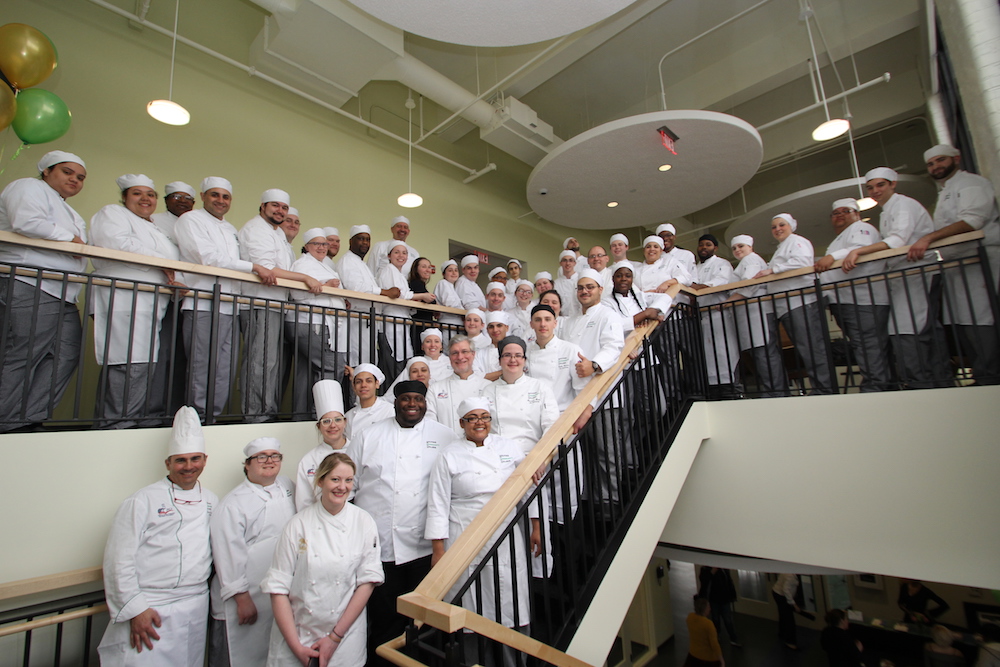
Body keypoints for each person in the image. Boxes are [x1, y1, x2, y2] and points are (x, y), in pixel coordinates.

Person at [98, 406, 218, 665]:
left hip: (196, 606)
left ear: (205, 460)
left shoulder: (212, 501)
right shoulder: (141, 501)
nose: (189, 467)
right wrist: (136, 609)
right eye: (180, 460)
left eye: (195, 459)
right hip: (151, 606)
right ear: (168, 463)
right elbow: (118, 559)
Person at [346, 380, 453, 667]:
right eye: (405, 399)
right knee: (385, 619)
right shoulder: (369, 436)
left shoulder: (444, 435)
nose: (411, 404)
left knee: (426, 621)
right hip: (380, 547)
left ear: (425, 402)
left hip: (425, 548)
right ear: (395, 402)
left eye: (417, 399)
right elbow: (348, 486)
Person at [425, 397, 539, 662]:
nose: (480, 423)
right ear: (462, 423)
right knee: (472, 603)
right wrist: (438, 550)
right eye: (472, 418)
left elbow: (530, 485)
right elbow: (438, 502)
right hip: (465, 536)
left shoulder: (508, 446)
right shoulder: (448, 454)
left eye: (484, 417)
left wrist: (536, 527)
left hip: (506, 533)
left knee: (511, 601)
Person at [260, 452, 383, 667]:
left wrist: (335, 637)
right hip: (297, 635)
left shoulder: (363, 522)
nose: (342, 487)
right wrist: (297, 647)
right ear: (320, 481)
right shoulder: (297, 525)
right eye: (335, 479)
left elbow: (367, 582)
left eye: (348, 480)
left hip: (345, 638)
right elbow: (278, 589)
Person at [0, 150, 88, 432]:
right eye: (67, 172)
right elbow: (26, 222)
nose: (74, 179)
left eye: (80, 177)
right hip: (30, 280)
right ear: (47, 171)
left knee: (66, 355)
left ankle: (28, 417)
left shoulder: (70, 210)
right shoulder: (28, 187)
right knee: (24, 354)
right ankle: (5, 419)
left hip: (63, 291)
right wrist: (70, 240)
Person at [175, 177, 277, 418]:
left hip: (230, 305)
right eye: (214, 195)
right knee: (202, 367)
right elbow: (207, 257)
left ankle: (212, 417)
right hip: (203, 303)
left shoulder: (230, 229)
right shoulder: (190, 220)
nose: (220, 201)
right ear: (202, 197)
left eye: (225, 196)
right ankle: (196, 419)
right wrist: (254, 266)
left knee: (224, 370)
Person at [843, 167, 952, 388]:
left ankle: (926, 383)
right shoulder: (886, 212)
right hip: (903, 277)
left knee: (913, 327)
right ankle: (926, 381)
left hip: (918, 271)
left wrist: (859, 251)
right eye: (871, 187)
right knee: (912, 327)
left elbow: (898, 239)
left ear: (893, 184)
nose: (875, 191)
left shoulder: (903, 205)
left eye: (880, 185)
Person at [89, 174, 181, 428]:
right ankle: (116, 426)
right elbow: (117, 243)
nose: (145, 199)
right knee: (127, 364)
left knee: (142, 366)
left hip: (150, 303)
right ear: (124, 197)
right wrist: (165, 264)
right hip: (124, 299)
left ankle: (125, 423)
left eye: (150, 195)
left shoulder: (153, 228)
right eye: (137, 194)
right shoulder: (113, 214)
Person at [911, 144, 1000, 384]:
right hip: (957, 265)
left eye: (940, 160)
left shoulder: (971, 183)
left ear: (956, 158)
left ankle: (990, 378)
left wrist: (928, 238)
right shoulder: (946, 190)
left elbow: (972, 221)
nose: (935, 167)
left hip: (978, 260)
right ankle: (982, 375)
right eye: (930, 163)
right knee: (965, 323)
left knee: (981, 320)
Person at [209, 437, 294, 667]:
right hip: (245, 597)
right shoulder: (232, 503)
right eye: (261, 457)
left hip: (275, 593)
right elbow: (226, 554)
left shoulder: (287, 487)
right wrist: (241, 597)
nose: (269, 461)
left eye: (274, 456)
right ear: (247, 464)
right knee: (240, 656)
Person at [238, 188, 322, 423]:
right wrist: (305, 279)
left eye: (284, 207)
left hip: (275, 304)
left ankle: (266, 410)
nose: (280, 211)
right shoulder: (256, 229)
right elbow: (268, 269)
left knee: (270, 363)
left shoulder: (275, 233)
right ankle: (255, 415)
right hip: (259, 302)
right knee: (260, 361)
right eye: (275, 206)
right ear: (262, 206)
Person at [814, 198, 892, 392]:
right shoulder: (838, 240)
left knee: (868, 345)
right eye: (835, 213)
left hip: (864, 300)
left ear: (856, 214)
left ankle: (877, 388)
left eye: (845, 211)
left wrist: (832, 258)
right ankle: (877, 385)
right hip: (846, 300)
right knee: (862, 345)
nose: (839, 215)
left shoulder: (861, 229)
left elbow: (858, 249)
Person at [754, 214, 834, 394]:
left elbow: (802, 262)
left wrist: (772, 270)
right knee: (805, 348)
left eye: (781, 225)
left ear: (792, 226)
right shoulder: (782, 247)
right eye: (774, 227)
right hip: (786, 305)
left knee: (812, 347)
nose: (777, 229)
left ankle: (825, 390)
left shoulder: (797, 241)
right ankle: (821, 388)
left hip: (800, 302)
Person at [286, 228, 347, 416]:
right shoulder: (302, 264)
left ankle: (303, 416)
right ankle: (324, 415)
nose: (321, 247)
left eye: (324, 244)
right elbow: (296, 293)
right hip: (312, 322)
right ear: (306, 246)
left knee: (306, 373)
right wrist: (326, 286)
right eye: (316, 244)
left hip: (322, 323)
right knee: (332, 366)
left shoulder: (324, 265)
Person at [726, 235, 785, 397]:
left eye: (741, 246)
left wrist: (727, 302)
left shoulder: (750, 260)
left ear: (750, 247)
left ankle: (776, 391)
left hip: (757, 311)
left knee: (764, 352)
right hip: (749, 313)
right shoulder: (745, 262)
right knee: (760, 354)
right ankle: (772, 389)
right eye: (734, 248)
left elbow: (749, 285)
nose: (737, 250)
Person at [336, 225, 399, 367]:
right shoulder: (348, 261)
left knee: (369, 361)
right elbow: (357, 288)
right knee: (358, 363)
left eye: (367, 239)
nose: (365, 242)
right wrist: (386, 292)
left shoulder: (360, 263)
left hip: (368, 321)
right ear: (351, 241)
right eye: (361, 239)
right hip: (357, 320)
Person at [691, 234, 740, 397]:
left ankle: (730, 389)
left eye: (708, 245)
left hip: (719, 314)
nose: (704, 248)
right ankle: (713, 389)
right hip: (701, 317)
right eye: (701, 245)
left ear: (715, 248)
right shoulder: (695, 268)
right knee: (707, 355)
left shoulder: (722, 264)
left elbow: (719, 282)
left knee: (724, 351)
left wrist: (696, 287)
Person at [296, 379, 349, 511]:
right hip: (319, 522)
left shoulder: (359, 451)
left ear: (345, 422)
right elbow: (304, 502)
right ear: (319, 426)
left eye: (338, 420)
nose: (333, 425)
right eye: (326, 421)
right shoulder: (309, 460)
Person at [425, 334, 491, 436]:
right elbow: (430, 424)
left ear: (473, 354)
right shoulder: (435, 389)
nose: (460, 357)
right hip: (446, 447)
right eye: (455, 353)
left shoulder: (488, 387)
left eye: (464, 352)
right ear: (449, 357)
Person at [377, 241, 433, 362]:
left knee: (405, 357)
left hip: (403, 318)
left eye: (404, 253)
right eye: (397, 252)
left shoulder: (400, 275)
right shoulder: (389, 269)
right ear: (389, 256)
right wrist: (422, 295)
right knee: (394, 358)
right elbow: (398, 294)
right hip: (392, 318)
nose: (401, 256)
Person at [604, 261, 670, 335]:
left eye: (628, 276)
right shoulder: (605, 302)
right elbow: (614, 326)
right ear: (613, 279)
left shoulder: (640, 296)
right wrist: (644, 315)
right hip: (625, 345)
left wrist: (654, 312)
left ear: (632, 279)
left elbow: (666, 297)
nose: (624, 279)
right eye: (619, 276)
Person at [343, 363, 394, 440]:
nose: (363, 385)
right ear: (354, 387)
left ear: (377, 384)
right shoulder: (348, 416)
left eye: (369, 381)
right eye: (359, 382)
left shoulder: (390, 411)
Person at [697, 567, 741, 647]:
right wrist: (711, 572)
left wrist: (732, 595)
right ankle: (717, 637)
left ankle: (733, 638)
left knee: (728, 619)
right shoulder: (705, 569)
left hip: (724, 598)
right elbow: (704, 582)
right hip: (714, 599)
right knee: (715, 619)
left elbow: (729, 581)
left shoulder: (723, 569)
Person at [684, 597, 724, 667]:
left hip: (693, 654)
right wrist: (722, 660)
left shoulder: (690, 617)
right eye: (708, 607)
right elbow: (714, 645)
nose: (710, 609)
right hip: (708, 659)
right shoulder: (708, 624)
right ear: (704, 610)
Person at [408, 256, 438, 347]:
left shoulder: (419, 284)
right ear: (416, 269)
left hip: (421, 325)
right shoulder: (416, 283)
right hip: (419, 326)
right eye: (424, 267)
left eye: (429, 267)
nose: (428, 270)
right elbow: (430, 301)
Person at [473, 310, 511, 380]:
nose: (495, 330)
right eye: (491, 327)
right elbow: (475, 378)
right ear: (487, 330)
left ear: (506, 328)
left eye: (499, 326)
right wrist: (505, 372)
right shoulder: (479, 354)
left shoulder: (514, 351)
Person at [433, 259, 465, 330]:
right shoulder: (443, 283)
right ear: (443, 274)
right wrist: (464, 312)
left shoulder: (453, 287)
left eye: (456, 270)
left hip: (457, 325)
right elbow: (449, 303)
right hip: (448, 323)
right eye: (450, 271)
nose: (454, 273)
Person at [772, 572, 800, 649]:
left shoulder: (789, 571)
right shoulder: (790, 575)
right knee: (789, 619)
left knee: (783, 615)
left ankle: (782, 633)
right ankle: (790, 642)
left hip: (777, 593)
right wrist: (794, 604)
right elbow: (786, 589)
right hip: (780, 596)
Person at [554, 249, 582, 318]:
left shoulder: (581, 280)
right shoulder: (555, 283)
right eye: (564, 260)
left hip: (578, 317)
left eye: (571, 260)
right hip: (561, 319)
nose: (568, 263)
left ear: (575, 263)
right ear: (560, 263)